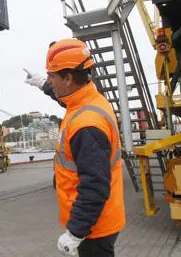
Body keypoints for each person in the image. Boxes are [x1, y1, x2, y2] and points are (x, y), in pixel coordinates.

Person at [25, 38, 126, 257]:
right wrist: (42, 83)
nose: (50, 80)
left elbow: (95, 186)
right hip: (100, 220)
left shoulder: (86, 125)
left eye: (52, 76)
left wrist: (75, 233)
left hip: (93, 229)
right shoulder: (90, 98)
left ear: (68, 78)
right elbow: (66, 99)